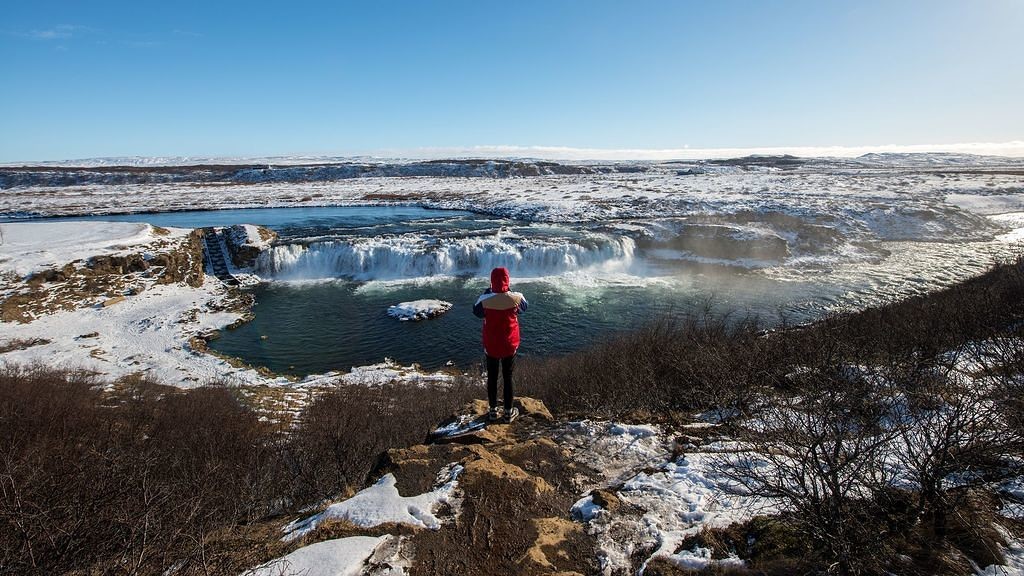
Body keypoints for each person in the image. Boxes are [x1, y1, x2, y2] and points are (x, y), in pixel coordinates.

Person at [473, 267, 528, 422]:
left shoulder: (485, 299)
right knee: (508, 376)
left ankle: (492, 411)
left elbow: (476, 312)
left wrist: (488, 293)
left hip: (491, 345)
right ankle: (508, 413)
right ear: (507, 280)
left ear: (492, 280)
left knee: (492, 377)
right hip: (510, 345)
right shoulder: (516, 297)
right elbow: (524, 307)